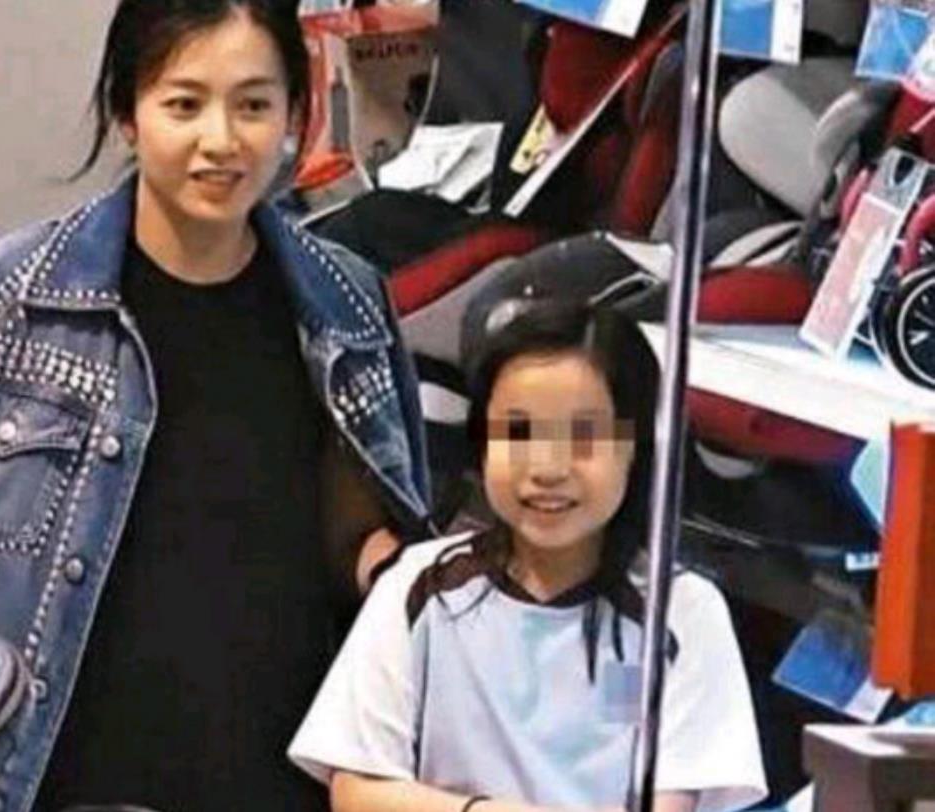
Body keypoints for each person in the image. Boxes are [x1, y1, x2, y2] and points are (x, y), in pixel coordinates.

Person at [0, 1, 432, 810]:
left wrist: (401, 570)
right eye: (184, 103)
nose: (221, 140)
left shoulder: (347, 306)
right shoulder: (16, 297)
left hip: (272, 778)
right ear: (128, 111)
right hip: (52, 783)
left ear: (295, 115)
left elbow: (361, 530)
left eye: (254, 105)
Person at [289, 301, 768, 812]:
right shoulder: (419, 585)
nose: (547, 468)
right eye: (518, 432)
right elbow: (356, 792)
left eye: (583, 435)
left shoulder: (681, 611)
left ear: (636, 446)